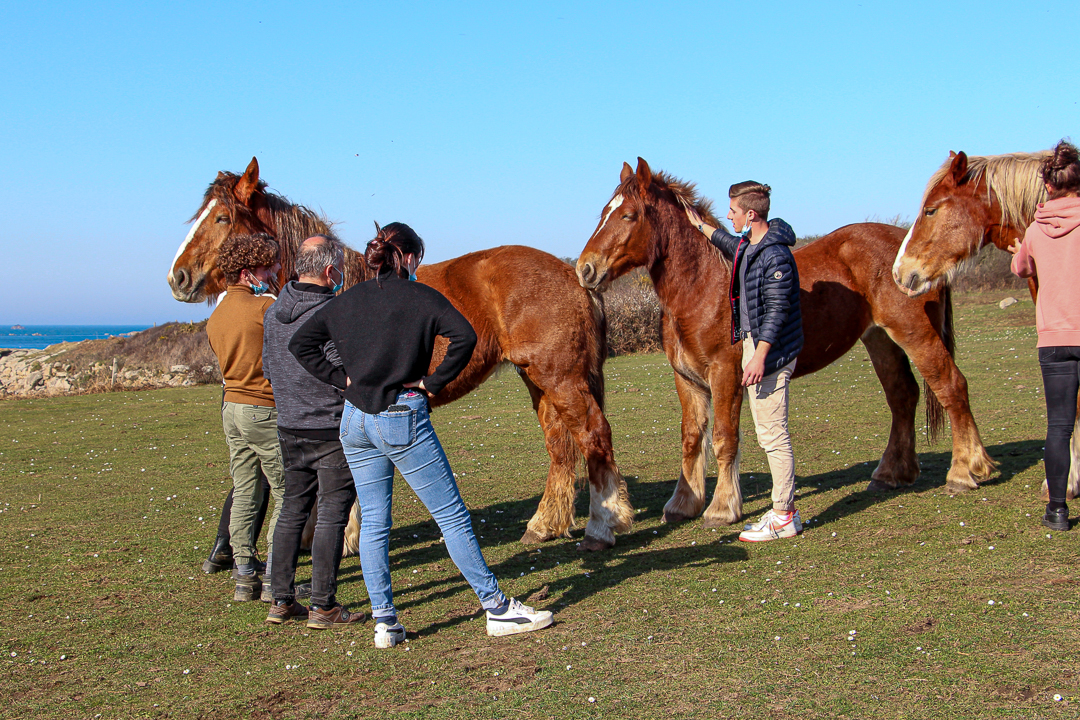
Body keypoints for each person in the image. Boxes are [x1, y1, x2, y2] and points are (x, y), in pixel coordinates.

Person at [290, 222, 553, 648]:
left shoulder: (346, 299)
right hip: (401, 417)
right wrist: (434, 382)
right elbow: (465, 337)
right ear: (409, 258)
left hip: (355, 420)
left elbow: (300, 344)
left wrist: (342, 380)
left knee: (374, 522)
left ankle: (385, 622)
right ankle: (497, 607)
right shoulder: (422, 296)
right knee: (450, 515)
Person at [685, 182, 804, 542]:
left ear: (750, 215)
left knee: (772, 435)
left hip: (770, 351)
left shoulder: (775, 256)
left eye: (733, 211)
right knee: (768, 431)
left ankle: (784, 515)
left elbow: (778, 311)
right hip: (757, 346)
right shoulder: (750, 246)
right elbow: (729, 243)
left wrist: (760, 358)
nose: (729, 216)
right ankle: (783, 511)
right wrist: (702, 227)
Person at [261, 234, 364, 627]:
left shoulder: (273, 313)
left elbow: (270, 370)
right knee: (332, 515)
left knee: (292, 509)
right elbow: (345, 368)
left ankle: (281, 599)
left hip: (289, 424)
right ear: (329, 269)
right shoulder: (333, 313)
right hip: (329, 425)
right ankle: (323, 603)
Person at [206, 232, 286, 601]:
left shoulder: (218, 314)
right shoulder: (264, 307)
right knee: (287, 492)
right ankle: (274, 574)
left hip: (231, 407)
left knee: (245, 489)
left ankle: (244, 573)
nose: (274, 272)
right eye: (268, 266)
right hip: (263, 407)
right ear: (249, 270)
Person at [1009, 138, 1080, 532]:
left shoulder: (1036, 230)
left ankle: (1057, 510)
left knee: (1059, 427)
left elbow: (1021, 268)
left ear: (1048, 186)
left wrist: (1023, 248)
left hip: (1053, 340)